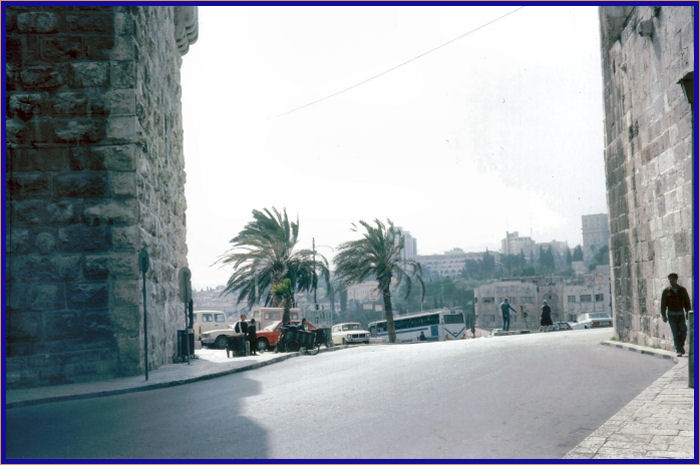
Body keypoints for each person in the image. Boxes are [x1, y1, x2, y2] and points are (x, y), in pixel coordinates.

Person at [660, 273, 692, 356]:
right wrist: (663, 315)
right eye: (670, 279)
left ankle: (680, 346)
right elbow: (663, 304)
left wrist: (688, 312)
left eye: (673, 279)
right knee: (675, 333)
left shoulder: (682, 290)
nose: (671, 281)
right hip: (671, 315)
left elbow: (687, 302)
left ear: (676, 279)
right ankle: (678, 350)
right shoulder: (666, 291)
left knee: (683, 331)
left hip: (680, 315)